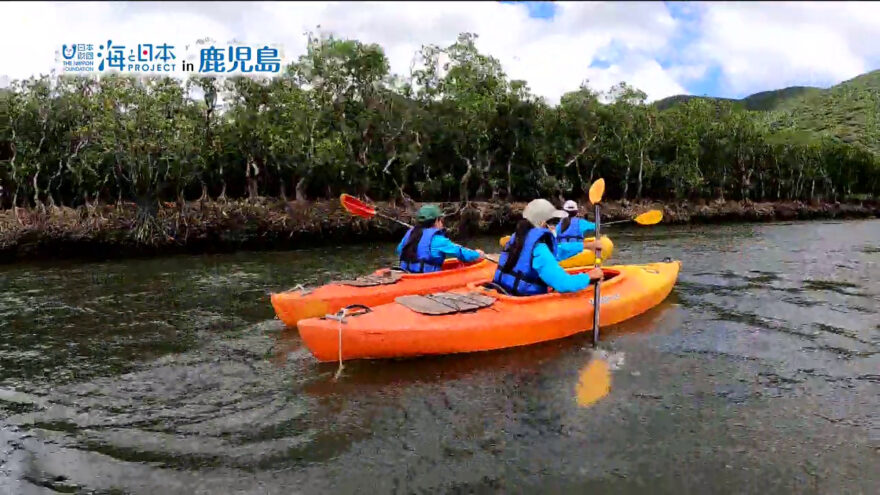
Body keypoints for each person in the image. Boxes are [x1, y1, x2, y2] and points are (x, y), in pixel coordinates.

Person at [493, 199, 604, 296]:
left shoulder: (516, 238)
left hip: (502, 292)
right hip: (522, 301)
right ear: (542, 222)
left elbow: (558, 250)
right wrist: (589, 276)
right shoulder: (539, 249)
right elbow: (563, 284)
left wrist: (587, 246)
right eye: (549, 221)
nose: (549, 226)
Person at [396, 204, 485, 273]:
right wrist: (477, 254)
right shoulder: (439, 240)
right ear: (436, 221)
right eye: (441, 219)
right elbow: (461, 253)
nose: (442, 223)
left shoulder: (408, 236)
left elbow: (399, 250)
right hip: (425, 279)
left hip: (407, 274)